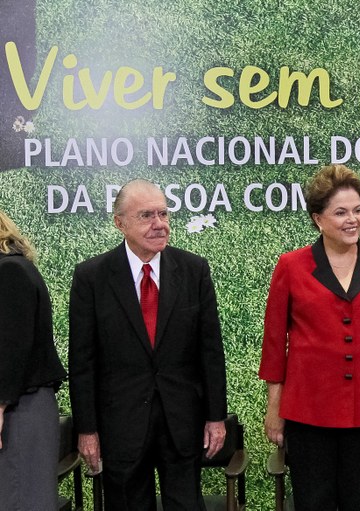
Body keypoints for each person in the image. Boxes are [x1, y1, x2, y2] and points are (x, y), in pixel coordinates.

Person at [259, 164, 360, 511]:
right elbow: (274, 345)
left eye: (358, 210)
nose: (353, 220)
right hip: (308, 413)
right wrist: (275, 409)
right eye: (341, 212)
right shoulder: (291, 265)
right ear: (318, 219)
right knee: (312, 503)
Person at [68, 179, 227, 510]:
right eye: (146, 216)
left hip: (182, 423)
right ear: (120, 223)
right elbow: (82, 361)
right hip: (120, 424)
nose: (159, 224)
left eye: (164, 214)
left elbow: (210, 352)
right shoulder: (92, 277)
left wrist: (215, 417)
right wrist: (87, 430)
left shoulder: (193, 270)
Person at [0, 209, 67, 510]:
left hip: (17, 411)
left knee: (20, 499)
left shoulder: (9, 272)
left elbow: (11, 348)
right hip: (18, 408)